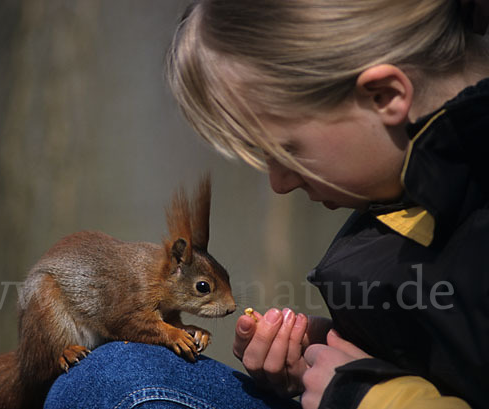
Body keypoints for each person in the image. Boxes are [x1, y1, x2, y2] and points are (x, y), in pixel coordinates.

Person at [45, 1, 489, 408]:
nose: (278, 184)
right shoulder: (393, 197)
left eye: (288, 151)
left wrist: (369, 397)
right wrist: (318, 356)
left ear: (385, 96)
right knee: (106, 377)